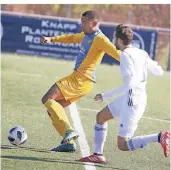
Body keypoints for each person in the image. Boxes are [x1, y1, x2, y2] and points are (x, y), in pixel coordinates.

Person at [79, 24, 170, 163]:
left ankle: (159, 137)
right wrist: (154, 65)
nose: (113, 40)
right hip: (131, 97)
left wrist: (105, 95)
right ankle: (97, 154)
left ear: (120, 41)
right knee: (101, 116)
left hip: (132, 102)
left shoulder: (126, 55)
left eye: (115, 37)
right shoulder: (141, 53)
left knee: (122, 145)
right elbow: (159, 72)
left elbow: (129, 85)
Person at [40, 10, 121, 152]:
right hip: (83, 82)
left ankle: (69, 131)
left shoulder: (100, 39)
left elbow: (117, 54)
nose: (81, 24)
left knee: (47, 98)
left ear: (94, 23)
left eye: (84, 22)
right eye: (81, 21)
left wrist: (136, 63)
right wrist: (51, 39)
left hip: (81, 79)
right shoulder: (86, 35)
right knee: (52, 109)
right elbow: (71, 38)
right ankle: (69, 143)